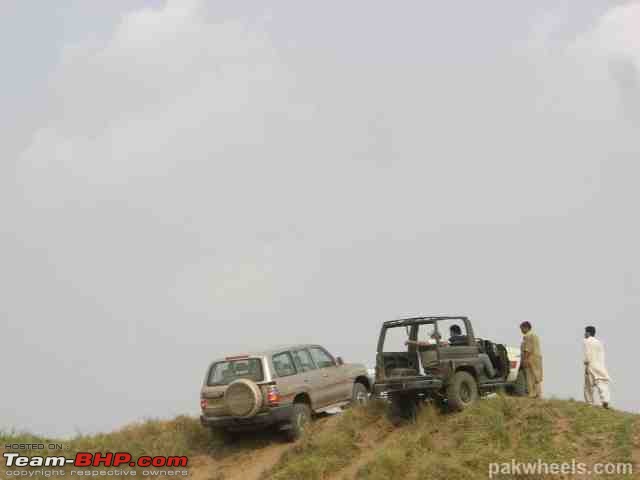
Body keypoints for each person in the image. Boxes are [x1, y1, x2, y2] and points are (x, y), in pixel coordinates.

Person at [583, 326, 611, 409]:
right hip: (600, 366)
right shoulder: (599, 342)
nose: (584, 334)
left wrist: (586, 363)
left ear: (588, 333)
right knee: (602, 383)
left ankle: (590, 402)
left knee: (588, 385)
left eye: (585, 332)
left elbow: (587, 353)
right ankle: (605, 401)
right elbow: (602, 355)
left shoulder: (586, 341)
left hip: (591, 365)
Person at [520, 321, 543, 398]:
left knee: (530, 377)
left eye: (522, 328)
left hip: (531, 358)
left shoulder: (528, 336)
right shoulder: (535, 335)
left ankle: (532, 394)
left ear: (526, 328)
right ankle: (538, 394)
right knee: (537, 377)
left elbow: (528, 349)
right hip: (537, 358)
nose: (521, 330)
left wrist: (525, 360)